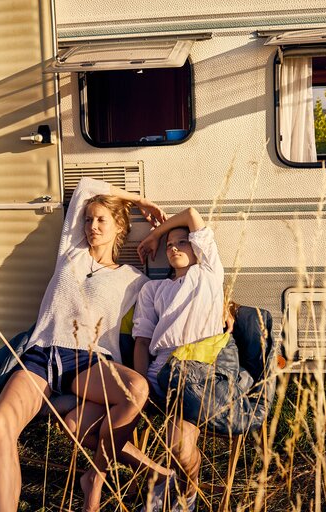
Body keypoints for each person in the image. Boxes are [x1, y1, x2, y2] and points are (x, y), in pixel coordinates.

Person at [0, 177, 167, 512]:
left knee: (135, 389)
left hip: (88, 364)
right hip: (42, 355)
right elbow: (85, 186)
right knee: (1, 425)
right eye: (88, 219)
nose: (92, 226)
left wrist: (156, 232)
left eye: (101, 220)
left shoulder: (134, 279)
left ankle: (94, 479)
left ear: (119, 228)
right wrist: (139, 199)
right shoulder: (71, 252)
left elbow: (177, 292)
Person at [133, 207, 225, 512]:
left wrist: (156, 233)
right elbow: (143, 341)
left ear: (197, 247)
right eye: (169, 245)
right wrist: (141, 385)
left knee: (180, 447)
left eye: (182, 242)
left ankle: (186, 489)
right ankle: (167, 481)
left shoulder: (208, 272)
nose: (173, 248)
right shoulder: (153, 289)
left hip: (195, 374)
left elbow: (191, 214)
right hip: (159, 374)